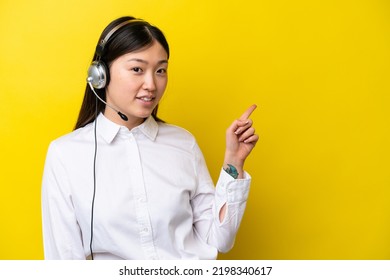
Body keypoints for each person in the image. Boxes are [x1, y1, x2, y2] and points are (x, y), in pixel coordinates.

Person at [41, 16, 259, 260]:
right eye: (137, 69)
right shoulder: (66, 155)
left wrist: (233, 163)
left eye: (160, 71)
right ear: (100, 74)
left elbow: (219, 239)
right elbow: (63, 259)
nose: (151, 84)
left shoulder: (183, 143)